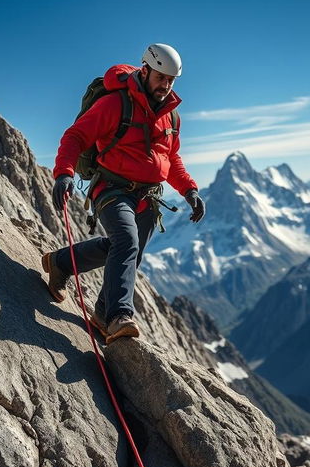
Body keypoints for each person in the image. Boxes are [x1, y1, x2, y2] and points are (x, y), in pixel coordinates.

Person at [42, 43, 205, 344]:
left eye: (171, 80)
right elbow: (75, 136)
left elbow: (171, 159)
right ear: (145, 70)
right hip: (112, 188)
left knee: (127, 251)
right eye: (161, 78)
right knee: (126, 242)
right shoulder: (116, 104)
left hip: (148, 196)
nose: (166, 86)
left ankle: (69, 273)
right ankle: (119, 315)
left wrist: (189, 190)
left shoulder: (171, 116)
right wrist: (63, 173)